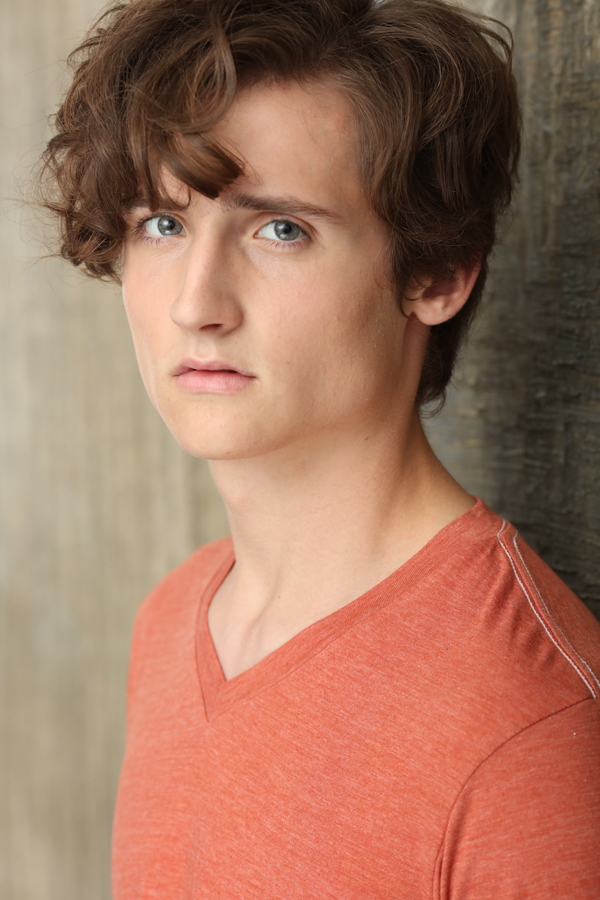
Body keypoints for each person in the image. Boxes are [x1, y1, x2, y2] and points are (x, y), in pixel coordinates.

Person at [37, 0, 600, 896]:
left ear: (438, 272)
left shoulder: (527, 728)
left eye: (280, 230)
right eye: (164, 224)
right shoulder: (172, 621)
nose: (196, 304)